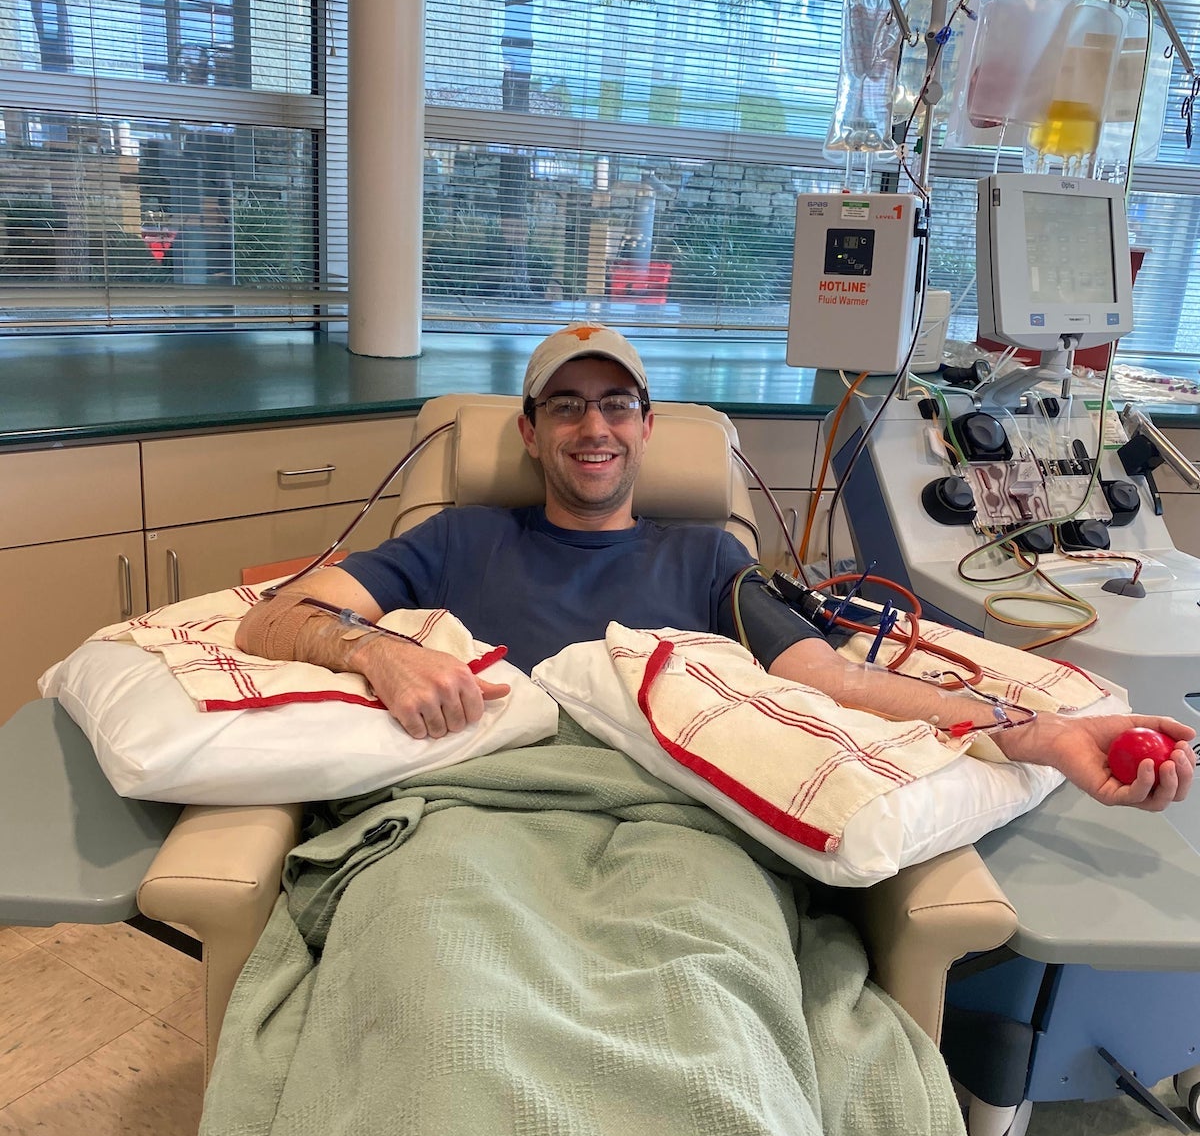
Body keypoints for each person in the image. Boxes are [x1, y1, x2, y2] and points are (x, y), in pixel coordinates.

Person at [237, 324, 1194, 814]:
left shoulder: (706, 557)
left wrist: (1047, 734)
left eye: (616, 404)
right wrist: (379, 652)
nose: (593, 426)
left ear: (648, 427)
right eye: (565, 407)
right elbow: (272, 618)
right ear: (530, 433)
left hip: (669, 829)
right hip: (481, 813)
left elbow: (838, 681)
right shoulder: (459, 539)